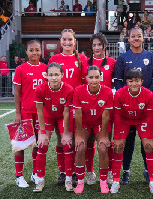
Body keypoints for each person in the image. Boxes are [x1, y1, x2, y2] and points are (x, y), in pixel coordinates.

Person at [114, 27, 153, 185]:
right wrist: (130, 98)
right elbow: (118, 82)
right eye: (133, 36)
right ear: (128, 39)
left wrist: (143, 97)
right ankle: (126, 171)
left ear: (144, 38)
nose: (136, 38)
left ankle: (148, 170)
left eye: (139, 36)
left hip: (146, 106)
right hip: (127, 108)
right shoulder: (122, 58)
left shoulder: (151, 57)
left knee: (146, 140)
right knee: (127, 141)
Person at [49, 29, 87, 186]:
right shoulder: (55, 59)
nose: (67, 42)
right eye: (64, 39)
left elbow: (86, 83)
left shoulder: (82, 59)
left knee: (75, 141)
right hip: (59, 107)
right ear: (60, 41)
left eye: (70, 39)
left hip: (76, 107)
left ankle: (76, 173)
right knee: (61, 140)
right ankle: (63, 173)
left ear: (75, 41)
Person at [110, 69, 153, 193]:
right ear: (126, 82)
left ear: (142, 81)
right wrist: (117, 137)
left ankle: (152, 181)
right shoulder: (120, 94)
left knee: (149, 145)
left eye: (137, 81)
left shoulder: (148, 94)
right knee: (118, 146)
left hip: (142, 119)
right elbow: (118, 116)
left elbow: (148, 117)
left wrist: (148, 136)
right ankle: (115, 181)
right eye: (131, 81)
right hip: (124, 120)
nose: (134, 84)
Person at [33, 62, 74, 192]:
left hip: (62, 117)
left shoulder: (69, 89)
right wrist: (43, 132)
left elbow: (67, 112)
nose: (54, 78)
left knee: (67, 144)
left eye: (56, 74)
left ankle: (68, 179)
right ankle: (39, 181)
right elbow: (39, 111)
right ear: (46, 76)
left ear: (62, 75)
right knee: (42, 144)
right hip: (48, 117)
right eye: (51, 75)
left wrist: (66, 132)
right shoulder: (40, 89)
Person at [81, 33, 116, 186]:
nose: (96, 48)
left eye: (99, 45)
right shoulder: (84, 63)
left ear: (105, 45)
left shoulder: (113, 62)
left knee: (106, 141)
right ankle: (90, 172)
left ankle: (108, 171)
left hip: (106, 108)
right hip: (88, 108)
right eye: (94, 45)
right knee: (88, 142)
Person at [73, 66, 113, 194]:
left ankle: (103, 181)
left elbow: (106, 116)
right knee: (80, 147)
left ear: (101, 78)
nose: (94, 80)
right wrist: (79, 134)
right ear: (86, 78)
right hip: (84, 123)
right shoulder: (79, 90)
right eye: (91, 77)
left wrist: (103, 135)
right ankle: (80, 181)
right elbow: (78, 114)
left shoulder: (107, 91)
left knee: (102, 146)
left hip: (100, 123)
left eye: (97, 77)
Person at [13, 40, 47, 188]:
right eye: (31, 50)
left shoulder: (46, 69)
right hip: (26, 112)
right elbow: (17, 93)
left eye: (37, 50)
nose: (34, 53)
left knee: (37, 144)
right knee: (20, 145)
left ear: (41, 51)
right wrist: (18, 113)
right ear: (26, 52)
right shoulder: (21, 69)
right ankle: (19, 175)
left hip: (41, 113)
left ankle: (34, 173)